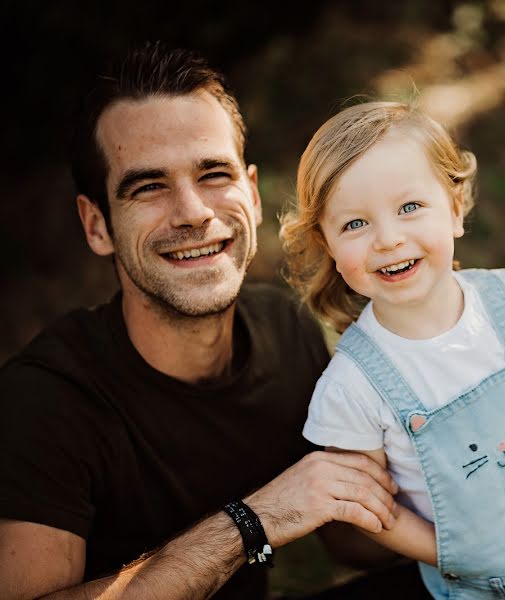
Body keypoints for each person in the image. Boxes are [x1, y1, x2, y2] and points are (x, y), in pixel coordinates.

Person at [0, 43, 406, 600]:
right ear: (96, 225)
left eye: (214, 173)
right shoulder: (44, 399)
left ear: (254, 195)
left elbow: (349, 539)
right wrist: (251, 522)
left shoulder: (284, 326)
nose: (193, 212)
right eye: (149, 186)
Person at [279, 100, 505, 599]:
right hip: (482, 590)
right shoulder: (353, 385)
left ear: (455, 207)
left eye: (409, 208)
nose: (388, 239)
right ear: (328, 245)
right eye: (355, 224)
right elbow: (365, 503)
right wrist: (443, 552)